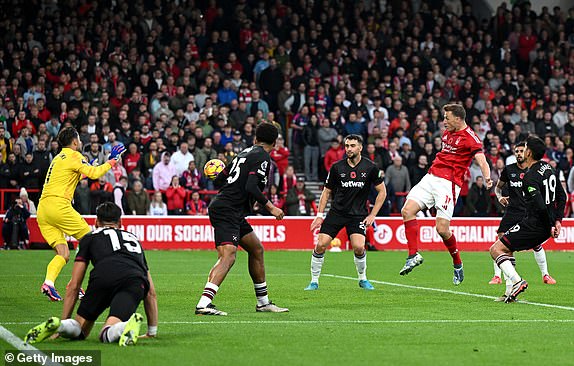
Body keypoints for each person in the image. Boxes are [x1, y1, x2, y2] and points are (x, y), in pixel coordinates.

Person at [24, 202, 158, 346]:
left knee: (80, 330)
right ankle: (122, 328)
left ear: (96, 222)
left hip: (102, 279)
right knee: (108, 330)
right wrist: (151, 331)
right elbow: (151, 292)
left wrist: (64, 319)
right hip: (133, 281)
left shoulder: (89, 238)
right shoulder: (133, 239)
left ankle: (60, 326)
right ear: (120, 222)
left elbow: (74, 285)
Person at [195, 123, 288, 315]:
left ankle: (263, 302)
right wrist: (271, 207)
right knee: (228, 256)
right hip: (228, 209)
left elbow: (221, 179)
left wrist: (214, 171)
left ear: (255, 139)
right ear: (275, 142)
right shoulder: (263, 157)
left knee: (256, 249)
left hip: (230, 209)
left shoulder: (245, 152)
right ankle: (203, 304)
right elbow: (251, 187)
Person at [399, 104, 492, 284]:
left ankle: (457, 264)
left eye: (447, 118)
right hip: (431, 177)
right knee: (406, 211)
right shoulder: (447, 132)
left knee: (441, 229)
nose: (444, 122)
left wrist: (487, 177)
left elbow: (482, 160)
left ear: (458, 119)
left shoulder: (471, 138)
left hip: (448, 184)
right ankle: (413, 255)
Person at [37, 127, 126, 301]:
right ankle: (75, 285)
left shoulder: (58, 158)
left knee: (63, 253)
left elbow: (77, 175)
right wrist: (113, 161)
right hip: (59, 205)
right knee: (89, 239)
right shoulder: (74, 155)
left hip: (43, 209)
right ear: (75, 141)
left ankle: (49, 283)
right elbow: (94, 174)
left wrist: (91, 165)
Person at [305, 134, 387, 291]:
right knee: (321, 244)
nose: (349, 149)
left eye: (352, 146)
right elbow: (326, 192)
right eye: (347, 146)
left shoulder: (370, 167)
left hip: (358, 215)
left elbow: (382, 192)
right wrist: (319, 215)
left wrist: (372, 215)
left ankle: (362, 279)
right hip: (337, 212)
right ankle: (314, 281)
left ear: (360, 148)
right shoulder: (337, 167)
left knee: (358, 247)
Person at [489, 135, 566, 303]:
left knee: (495, 250)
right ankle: (509, 292)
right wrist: (558, 221)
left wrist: (550, 225)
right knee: (507, 249)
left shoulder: (529, 178)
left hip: (534, 224)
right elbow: (562, 196)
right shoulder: (548, 167)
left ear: (529, 152)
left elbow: (540, 206)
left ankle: (517, 282)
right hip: (544, 224)